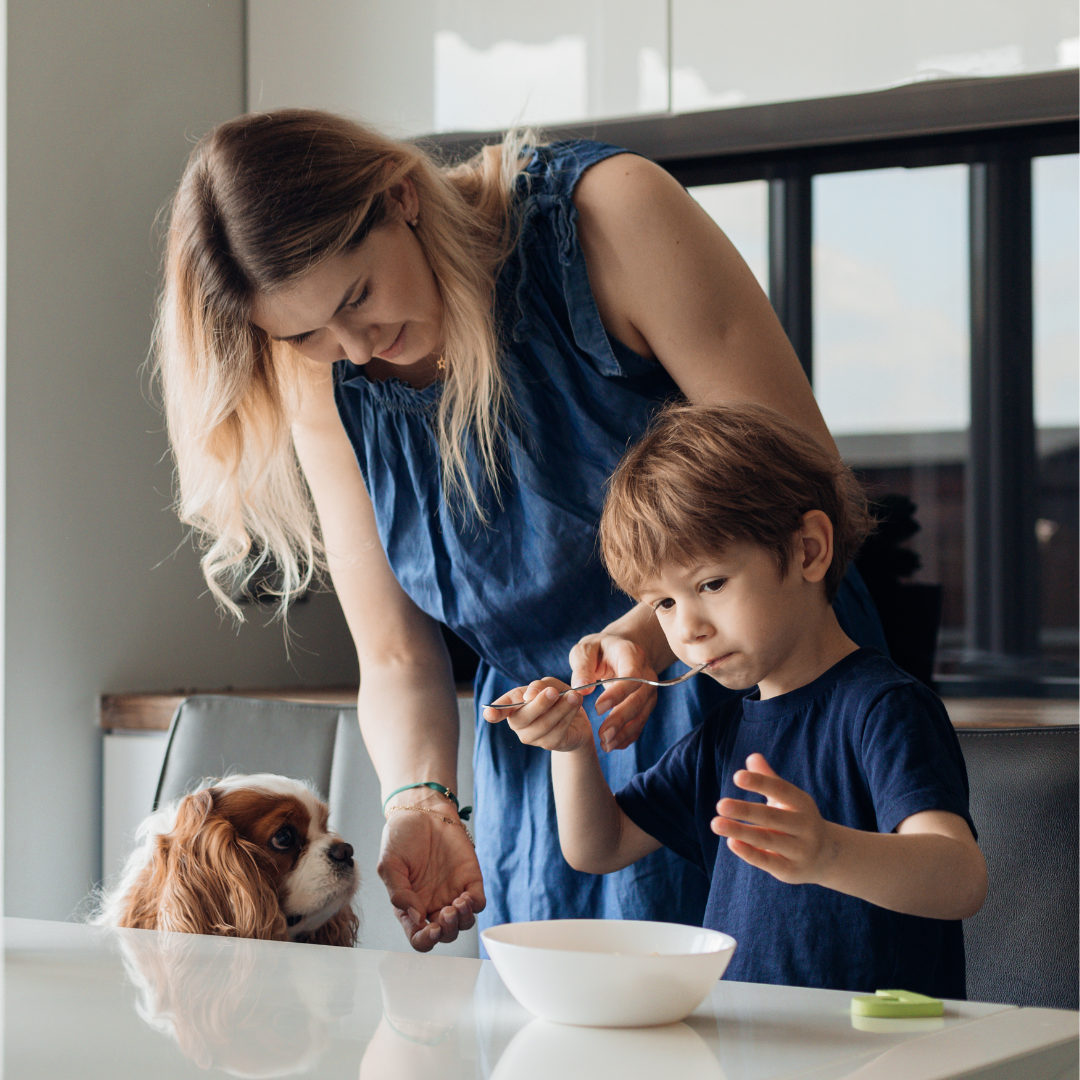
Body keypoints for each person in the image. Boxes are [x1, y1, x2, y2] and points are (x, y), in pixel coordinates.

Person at [156, 109, 889, 952]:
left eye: (357, 296)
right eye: (306, 333)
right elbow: (397, 657)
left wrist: (647, 638)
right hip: (551, 770)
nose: (354, 348)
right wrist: (419, 798)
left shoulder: (609, 217)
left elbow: (804, 486)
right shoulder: (325, 375)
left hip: (765, 710)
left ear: (401, 197)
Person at [485, 403, 986, 996]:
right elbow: (600, 846)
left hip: (880, 1048)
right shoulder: (726, 735)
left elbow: (960, 878)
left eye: (710, 584)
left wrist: (828, 852)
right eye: (663, 604)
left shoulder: (883, 708)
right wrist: (572, 748)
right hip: (753, 1045)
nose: (687, 629)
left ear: (808, 550)